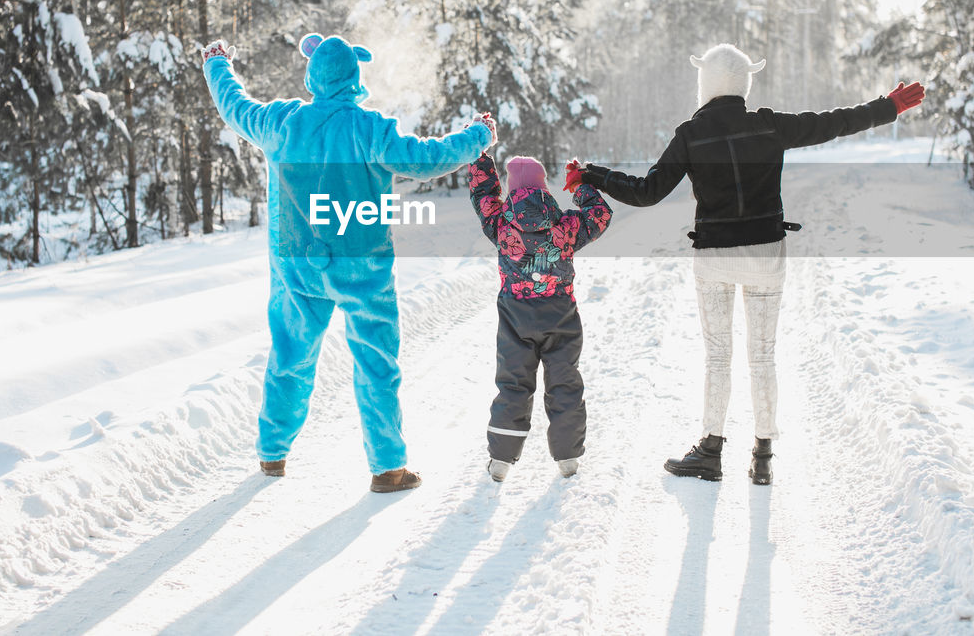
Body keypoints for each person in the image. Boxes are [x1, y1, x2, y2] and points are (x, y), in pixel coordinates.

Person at [568, 43, 924, 485]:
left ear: (706, 83)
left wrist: (592, 174)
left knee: (718, 357)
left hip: (714, 257)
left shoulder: (690, 134)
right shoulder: (769, 126)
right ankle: (762, 457)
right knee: (763, 356)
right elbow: (834, 123)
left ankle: (711, 451)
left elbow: (647, 191)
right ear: (743, 83)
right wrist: (887, 107)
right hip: (766, 255)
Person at [201, 34, 495, 493]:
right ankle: (387, 467)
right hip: (363, 268)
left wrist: (216, 63)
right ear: (354, 77)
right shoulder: (369, 128)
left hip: (297, 265)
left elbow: (233, 104)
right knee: (376, 363)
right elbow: (430, 158)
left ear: (311, 74)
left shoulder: (280, 123)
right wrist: (479, 134)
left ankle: (272, 453)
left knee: (290, 357)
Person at [469, 152, 612, 481]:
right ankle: (568, 457)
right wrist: (579, 186)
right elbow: (600, 215)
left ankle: (502, 460)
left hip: (515, 317)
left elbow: (483, 194)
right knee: (564, 382)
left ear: (511, 189)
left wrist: (478, 155)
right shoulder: (565, 224)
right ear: (544, 187)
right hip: (560, 313)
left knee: (513, 384)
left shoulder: (500, 223)